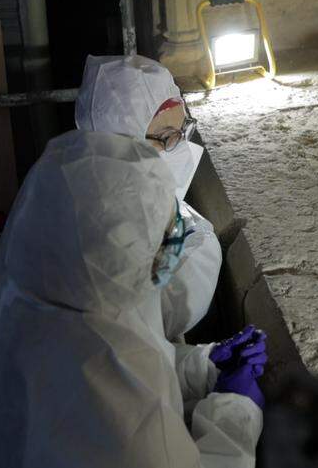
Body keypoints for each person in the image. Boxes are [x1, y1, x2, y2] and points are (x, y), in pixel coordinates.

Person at [0, 131, 266, 468]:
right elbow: (115, 386)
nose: (170, 245)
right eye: (164, 236)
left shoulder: (5, 300)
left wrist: (198, 366)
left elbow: (103, 362)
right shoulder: (124, 429)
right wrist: (234, 413)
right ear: (123, 255)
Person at [75, 54, 216, 342]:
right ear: (122, 145)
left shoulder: (80, 182)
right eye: (167, 136)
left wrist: (195, 364)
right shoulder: (92, 239)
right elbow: (137, 336)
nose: (181, 146)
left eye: (183, 130)